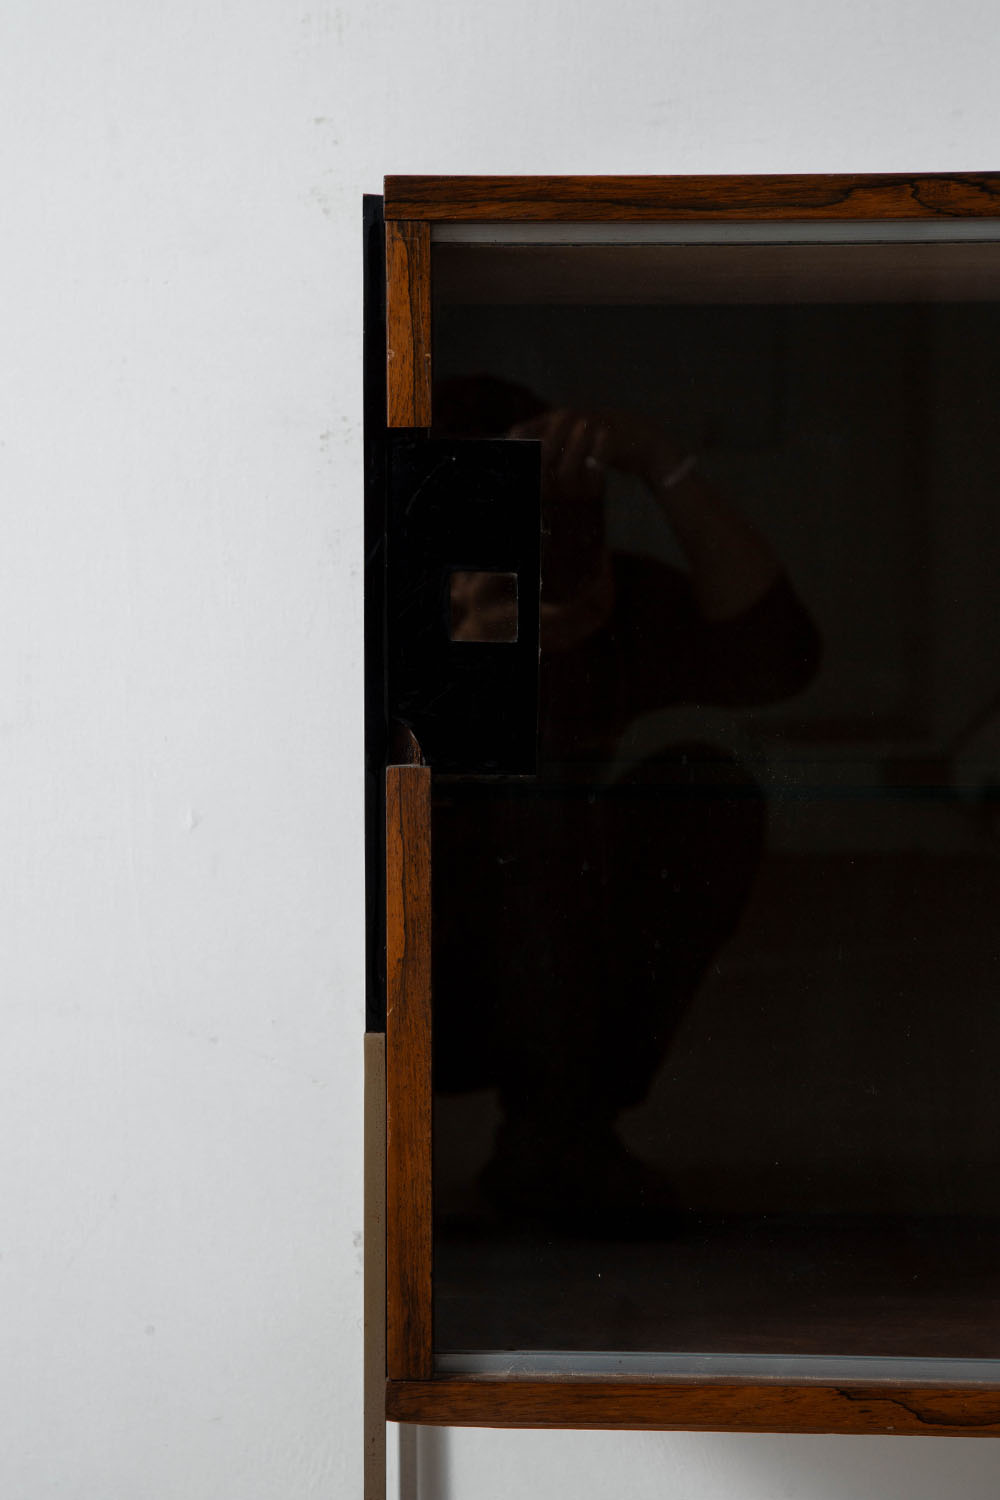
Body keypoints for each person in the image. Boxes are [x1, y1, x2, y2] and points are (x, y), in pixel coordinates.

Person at [432, 378, 822, 1234]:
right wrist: (463, 669)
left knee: (701, 786)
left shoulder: (598, 603)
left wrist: (660, 462)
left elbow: (778, 659)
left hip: (553, 989)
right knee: (526, 783)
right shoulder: (355, 614)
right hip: (403, 989)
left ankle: (560, 1135)